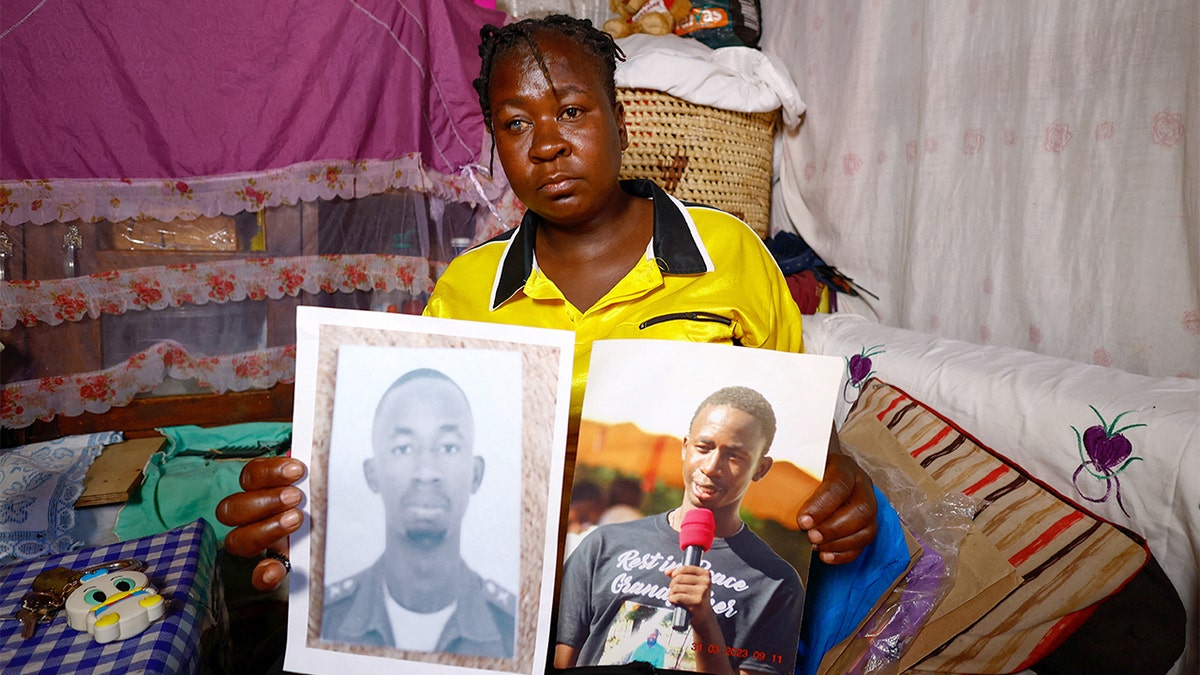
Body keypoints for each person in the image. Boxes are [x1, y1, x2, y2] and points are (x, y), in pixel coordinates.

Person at [217, 13, 876, 603]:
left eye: (571, 112)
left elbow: (795, 420)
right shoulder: (466, 292)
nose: (547, 145)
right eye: (516, 123)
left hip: (696, 584)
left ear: (619, 121)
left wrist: (834, 473)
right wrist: (309, 517)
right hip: (515, 594)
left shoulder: (727, 252)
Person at [556, 386, 802, 675]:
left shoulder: (776, 583)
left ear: (760, 468)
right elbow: (561, 662)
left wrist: (705, 623)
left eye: (734, 456)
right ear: (685, 447)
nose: (711, 466)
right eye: (704, 447)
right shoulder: (602, 545)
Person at [318, 368, 514, 657]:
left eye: (448, 447)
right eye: (403, 448)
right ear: (372, 473)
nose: (426, 472)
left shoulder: (515, 631)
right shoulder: (323, 620)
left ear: (476, 473)